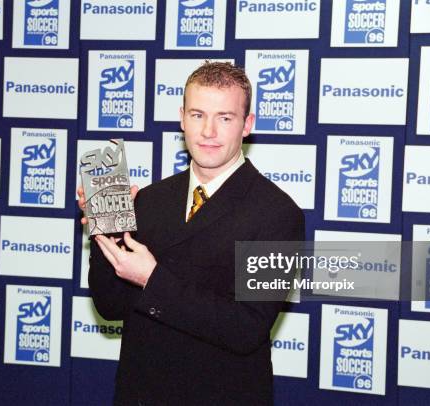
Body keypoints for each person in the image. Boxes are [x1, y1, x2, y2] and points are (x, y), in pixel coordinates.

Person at [78, 62, 304, 405]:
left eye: (225, 118)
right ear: (182, 118)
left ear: (248, 125)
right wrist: (106, 230)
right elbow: (110, 306)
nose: (208, 131)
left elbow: (246, 329)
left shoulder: (278, 214)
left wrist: (152, 280)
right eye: (198, 115)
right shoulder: (150, 200)